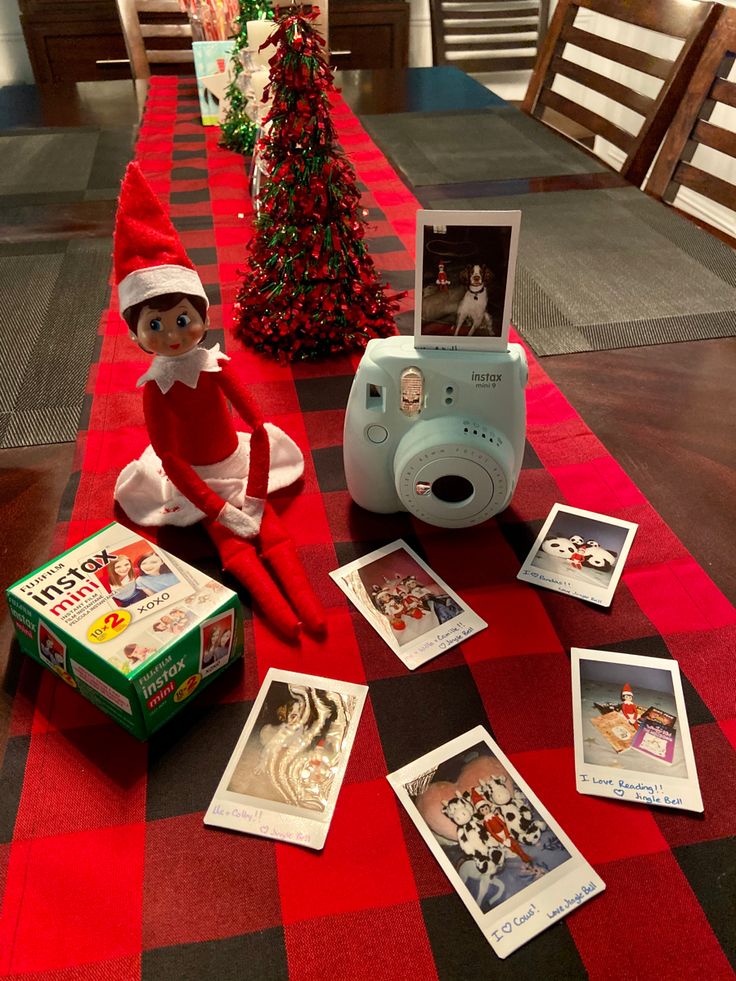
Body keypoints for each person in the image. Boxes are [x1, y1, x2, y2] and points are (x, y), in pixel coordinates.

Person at [112, 163, 325, 642]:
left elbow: (258, 423)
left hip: (236, 460)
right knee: (234, 547)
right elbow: (169, 457)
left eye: (182, 319)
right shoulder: (155, 389)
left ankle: (311, 614)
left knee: (273, 534)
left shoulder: (216, 366)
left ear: (201, 316)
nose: (171, 335)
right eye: (155, 325)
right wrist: (220, 509)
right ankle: (285, 620)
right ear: (138, 333)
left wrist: (252, 492)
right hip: (195, 480)